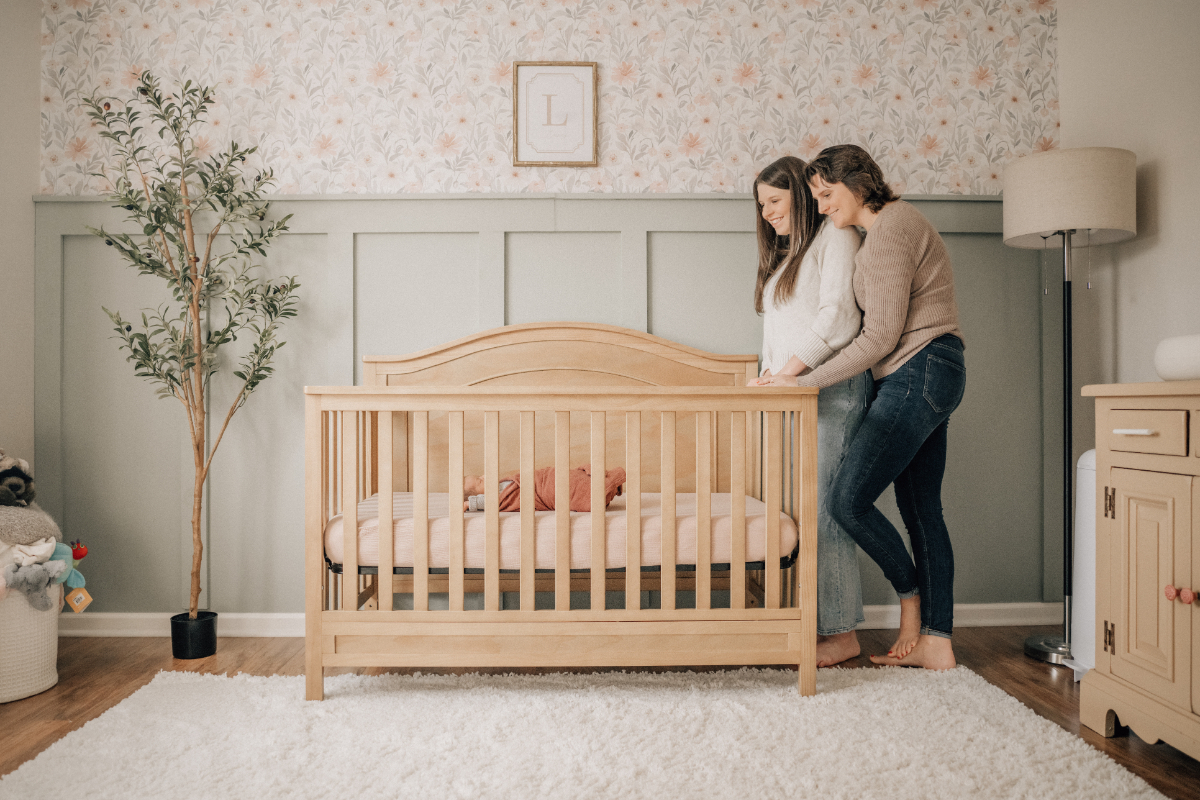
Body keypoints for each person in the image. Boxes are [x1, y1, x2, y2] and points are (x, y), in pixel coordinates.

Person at [761, 144, 966, 671]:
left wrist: (803, 381)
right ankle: (937, 641)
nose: (822, 205)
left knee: (847, 502)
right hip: (930, 369)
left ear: (856, 183)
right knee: (922, 510)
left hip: (917, 371)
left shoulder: (892, 228)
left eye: (827, 194)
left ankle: (911, 601)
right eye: (816, 197)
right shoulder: (884, 231)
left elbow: (878, 338)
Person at [747, 156, 873, 667]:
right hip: (798, 392)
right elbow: (781, 332)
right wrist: (769, 375)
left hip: (833, 390)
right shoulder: (788, 258)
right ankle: (816, 622)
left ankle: (841, 633)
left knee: (825, 510)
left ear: (800, 194)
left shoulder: (836, 238)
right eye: (761, 205)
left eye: (775, 201)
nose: (767, 213)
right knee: (805, 510)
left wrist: (789, 373)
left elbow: (839, 317)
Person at [462, 466, 625, 513]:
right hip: (540, 492)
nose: (484, 476)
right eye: (479, 481)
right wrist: (468, 504)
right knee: (562, 487)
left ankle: (598, 482)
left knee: (564, 477)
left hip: (541, 480)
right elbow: (487, 502)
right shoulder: (497, 497)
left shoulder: (502, 485)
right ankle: (598, 488)